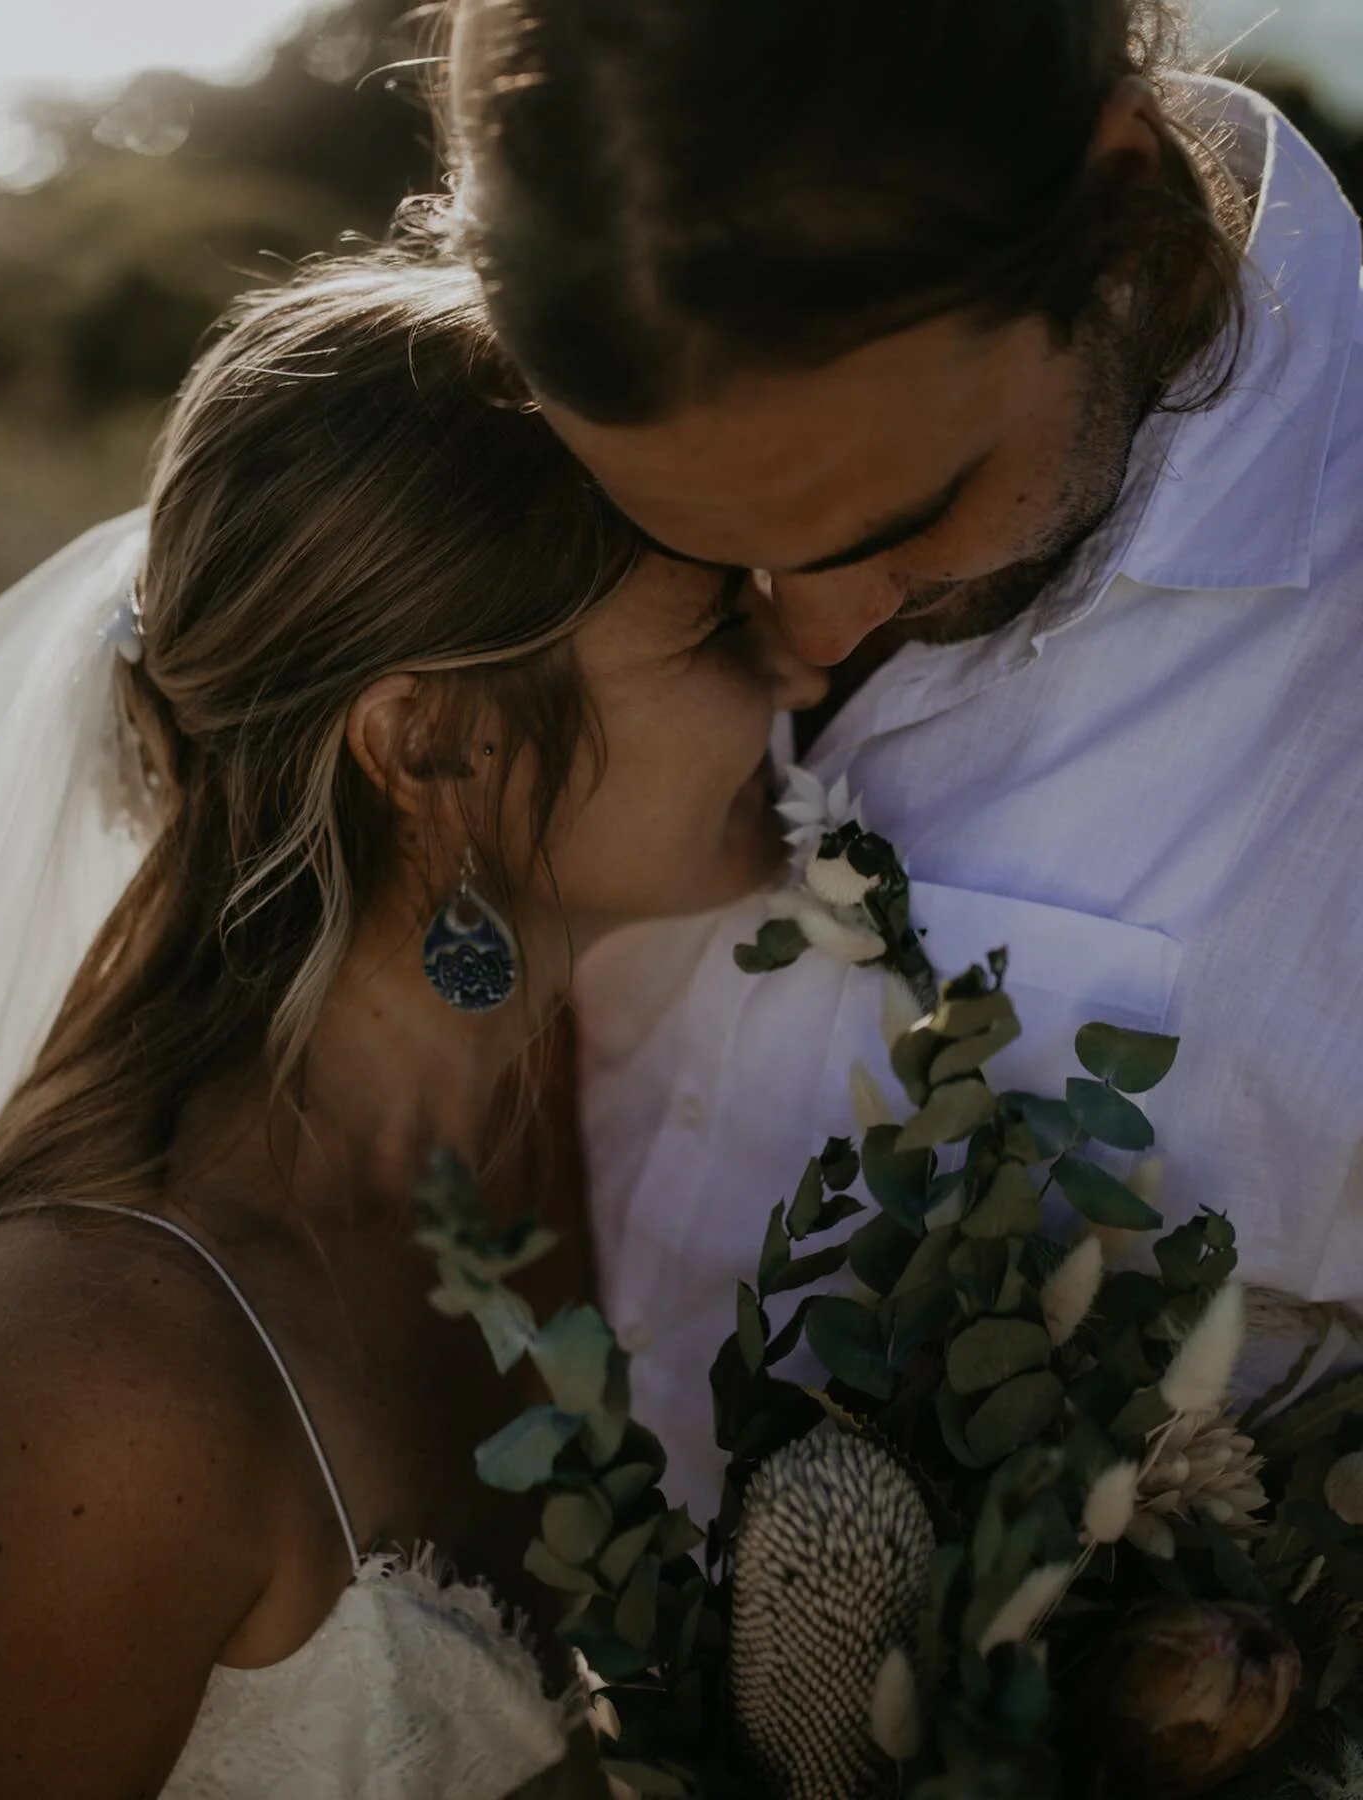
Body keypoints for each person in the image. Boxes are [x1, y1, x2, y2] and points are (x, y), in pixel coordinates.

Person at [446, 0, 1363, 1519]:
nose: (794, 636)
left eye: (899, 521)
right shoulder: (489, 490)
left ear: (1119, 206)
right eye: (697, 549)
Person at [0, 252, 823, 1797]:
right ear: (434, 743)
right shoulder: (94, 1374)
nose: (794, 667)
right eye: (708, 632)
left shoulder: (575, 1106)